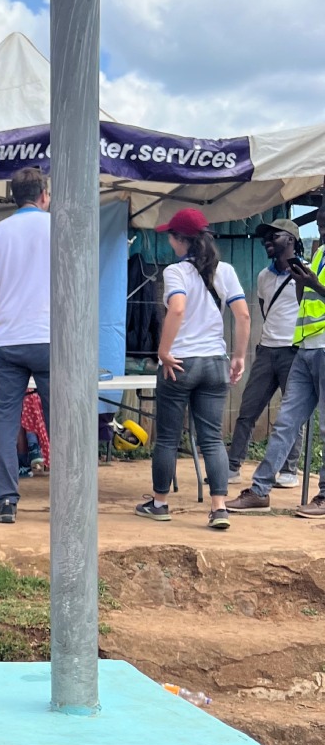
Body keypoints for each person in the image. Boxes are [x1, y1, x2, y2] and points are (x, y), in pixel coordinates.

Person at [135, 208, 249, 530]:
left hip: (180, 364)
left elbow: (178, 308)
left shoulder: (176, 272)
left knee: (168, 438)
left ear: (179, 240)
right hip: (215, 363)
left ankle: (159, 503)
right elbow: (243, 316)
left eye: (170, 235)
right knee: (212, 438)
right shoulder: (224, 270)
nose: (169, 241)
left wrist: (163, 351)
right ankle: (219, 508)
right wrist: (238, 356)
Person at [230, 202, 325, 518]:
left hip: (317, 350)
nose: (321, 230)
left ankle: (323, 495)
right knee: (285, 421)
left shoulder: (315, 262)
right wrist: (304, 285)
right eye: (320, 224)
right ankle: (259, 491)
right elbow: (304, 305)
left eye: (324, 225)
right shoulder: (317, 258)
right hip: (305, 348)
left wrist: (312, 283)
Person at [0, 167, 52, 524]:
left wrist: (10, 296)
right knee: (60, 420)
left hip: (7, 340)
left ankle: (6, 501)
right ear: (44, 195)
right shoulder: (60, 228)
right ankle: (67, 501)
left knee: (5, 419)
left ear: (12, 197)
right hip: (51, 337)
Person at [226, 218, 306, 487]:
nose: (267, 241)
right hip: (266, 351)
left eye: (275, 236)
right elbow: (265, 309)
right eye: (266, 237)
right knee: (248, 410)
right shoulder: (264, 276)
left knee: (292, 414)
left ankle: (289, 470)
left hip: (294, 353)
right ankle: (232, 466)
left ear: (292, 240)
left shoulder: (306, 273)